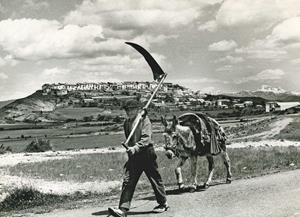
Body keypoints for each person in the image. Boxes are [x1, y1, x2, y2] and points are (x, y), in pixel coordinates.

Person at [108, 99, 169, 217]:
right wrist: (131, 149)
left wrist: (135, 147)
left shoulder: (144, 120)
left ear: (137, 110)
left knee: (154, 178)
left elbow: (146, 139)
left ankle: (163, 203)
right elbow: (129, 139)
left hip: (147, 153)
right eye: (127, 110)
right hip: (135, 155)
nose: (128, 112)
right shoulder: (126, 123)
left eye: (131, 109)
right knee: (128, 180)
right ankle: (123, 209)